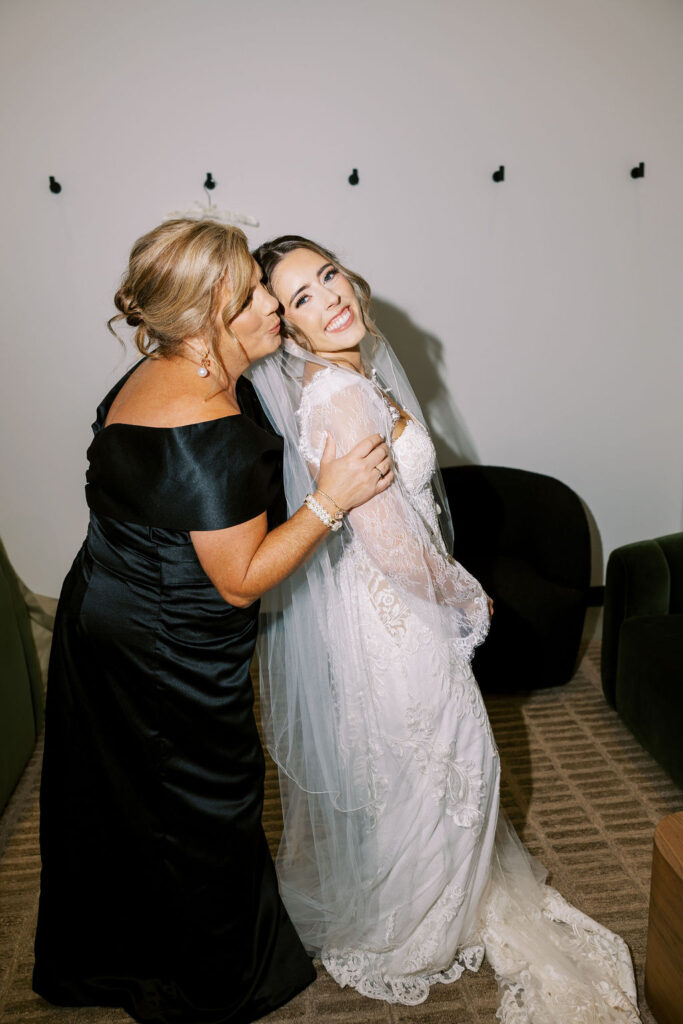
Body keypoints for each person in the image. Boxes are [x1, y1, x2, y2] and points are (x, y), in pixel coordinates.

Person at [249, 235, 642, 1022]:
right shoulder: (338, 397)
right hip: (396, 614)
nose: (329, 297)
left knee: (424, 769)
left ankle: (431, 893)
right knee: (446, 761)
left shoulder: (350, 374)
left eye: (327, 274)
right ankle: (415, 922)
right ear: (287, 331)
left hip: (388, 607)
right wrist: (465, 594)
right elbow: (389, 544)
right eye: (301, 298)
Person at [32, 219, 393, 1024]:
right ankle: (211, 982)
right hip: (167, 647)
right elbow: (240, 581)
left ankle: (113, 959)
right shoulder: (207, 434)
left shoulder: (160, 366)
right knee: (201, 801)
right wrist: (331, 498)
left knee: (119, 794)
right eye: (253, 296)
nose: (272, 305)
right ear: (203, 322)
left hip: (104, 607)